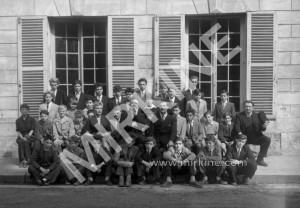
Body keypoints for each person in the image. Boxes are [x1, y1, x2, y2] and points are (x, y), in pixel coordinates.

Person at [81, 102, 114, 186]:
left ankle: (107, 178)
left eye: (100, 108)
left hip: (103, 141)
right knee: (87, 157)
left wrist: (103, 134)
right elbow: (85, 132)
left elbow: (110, 131)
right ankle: (90, 178)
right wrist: (93, 135)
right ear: (94, 109)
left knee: (109, 158)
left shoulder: (105, 119)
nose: (99, 110)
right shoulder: (90, 119)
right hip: (92, 141)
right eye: (97, 108)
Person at [234, 100, 271, 166]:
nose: (247, 108)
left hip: (256, 136)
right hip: (245, 137)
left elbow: (262, 128)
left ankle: (260, 159)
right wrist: (240, 134)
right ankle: (243, 160)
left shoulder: (257, 115)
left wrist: (264, 126)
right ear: (244, 107)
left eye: (249, 106)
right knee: (239, 143)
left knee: (267, 140)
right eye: (246, 106)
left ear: (253, 107)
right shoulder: (239, 115)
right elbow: (237, 126)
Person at [16, 104, 36, 168]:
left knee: (26, 142)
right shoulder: (18, 120)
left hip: (30, 135)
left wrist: (27, 137)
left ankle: (27, 161)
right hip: (21, 135)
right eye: (22, 109)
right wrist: (22, 137)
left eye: (25, 109)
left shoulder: (32, 119)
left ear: (28, 111)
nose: (24, 111)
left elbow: (32, 130)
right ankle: (22, 161)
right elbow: (18, 130)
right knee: (21, 141)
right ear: (20, 111)